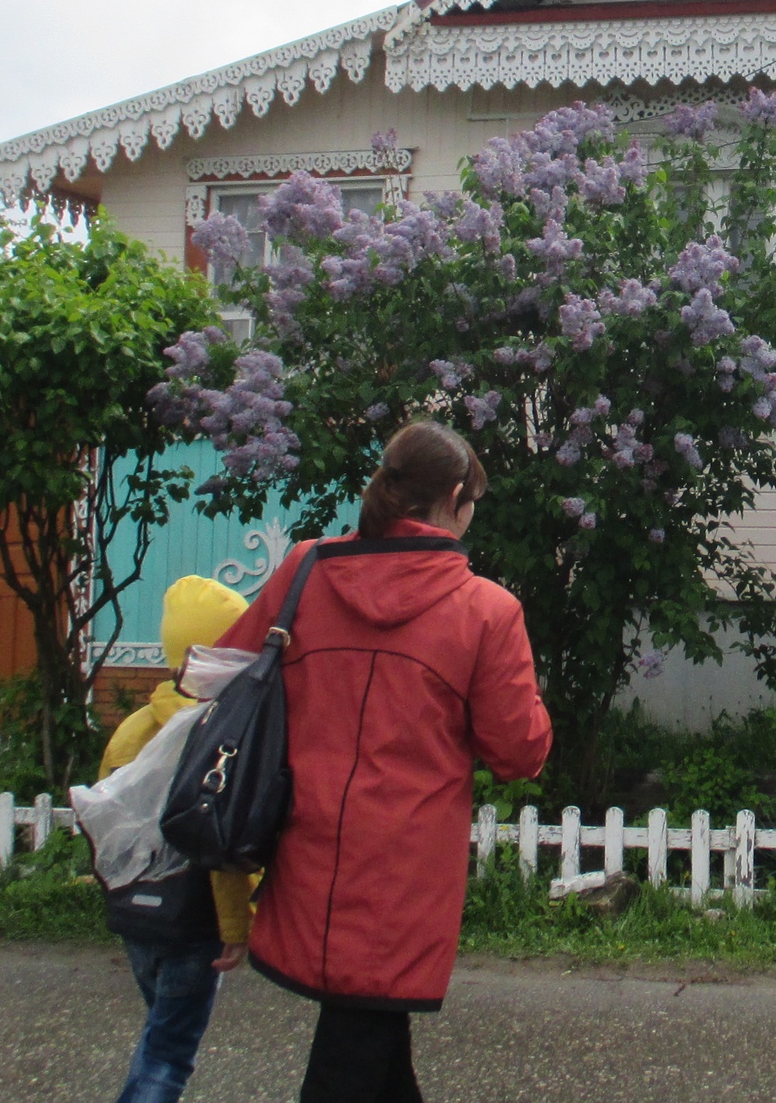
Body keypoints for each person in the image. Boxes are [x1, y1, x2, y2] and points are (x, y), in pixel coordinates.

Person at [218, 419, 552, 1103]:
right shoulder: (485, 610)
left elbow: (223, 672)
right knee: (350, 1059)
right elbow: (520, 751)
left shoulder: (303, 572)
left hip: (307, 856)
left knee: (370, 1039)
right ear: (456, 497)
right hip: (404, 882)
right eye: (472, 504)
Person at [98, 574, 263, 1103]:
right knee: (169, 1054)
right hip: (195, 920)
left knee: (159, 1031)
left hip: (135, 915)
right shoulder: (217, 740)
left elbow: (109, 821)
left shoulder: (132, 729)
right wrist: (238, 925)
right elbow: (219, 846)